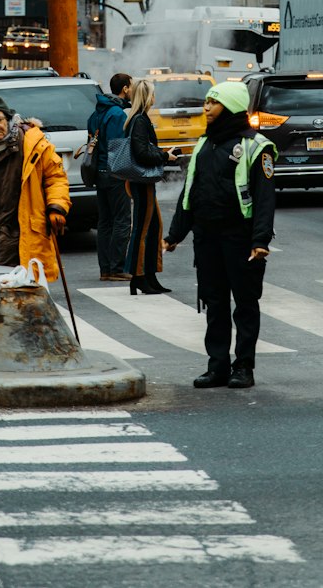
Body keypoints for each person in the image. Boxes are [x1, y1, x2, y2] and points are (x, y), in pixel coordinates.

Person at [165, 80, 277, 391]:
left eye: (213, 103)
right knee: (214, 304)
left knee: (244, 303)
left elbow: (265, 199)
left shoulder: (257, 147)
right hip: (207, 238)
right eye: (206, 102)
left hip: (240, 238)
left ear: (230, 107)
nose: (206, 108)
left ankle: (243, 367)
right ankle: (217, 367)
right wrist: (174, 234)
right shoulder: (204, 143)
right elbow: (190, 193)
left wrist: (260, 241)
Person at [0, 90, 70, 277]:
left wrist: (57, 207)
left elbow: (55, 178)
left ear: (8, 119)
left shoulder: (32, 144)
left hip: (21, 238)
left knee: (22, 295)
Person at [122, 78, 178, 294]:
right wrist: (165, 156)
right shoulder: (140, 121)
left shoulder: (139, 119)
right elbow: (142, 153)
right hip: (141, 181)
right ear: (147, 97)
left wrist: (164, 154)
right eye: (153, 94)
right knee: (143, 229)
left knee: (154, 227)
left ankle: (150, 275)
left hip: (143, 181)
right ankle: (138, 277)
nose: (155, 98)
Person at [87, 72, 133, 282]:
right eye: (131, 87)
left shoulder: (98, 112)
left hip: (99, 172)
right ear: (125, 88)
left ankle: (105, 269)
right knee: (122, 220)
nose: (132, 91)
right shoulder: (117, 114)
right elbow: (118, 147)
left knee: (105, 222)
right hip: (114, 172)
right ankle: (117, 267)